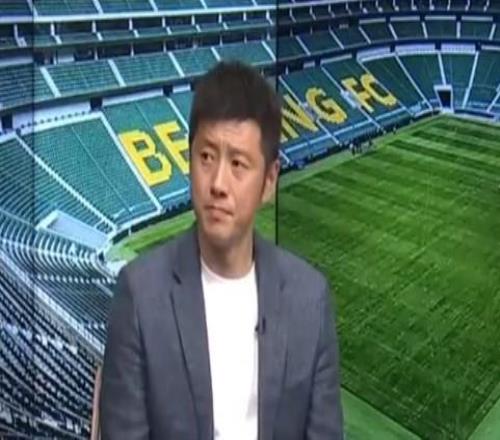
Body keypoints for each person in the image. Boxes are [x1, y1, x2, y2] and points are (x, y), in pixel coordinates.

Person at [99, 61, 344, 440]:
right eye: (206, 157)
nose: (217, 183)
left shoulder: (310, 299)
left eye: (238, 164)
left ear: (269, 180)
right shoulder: (140, 295)